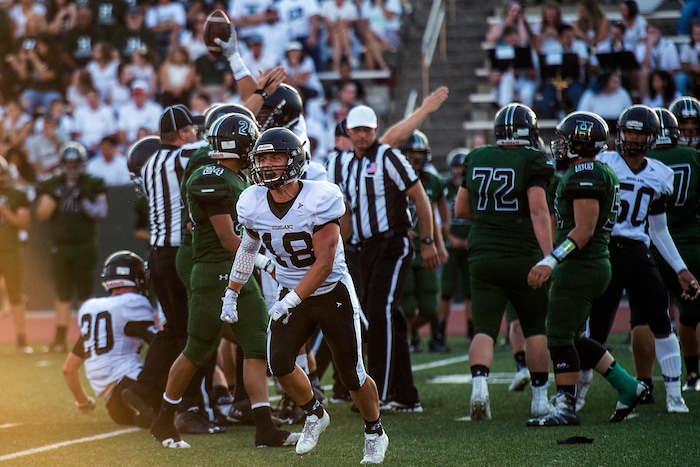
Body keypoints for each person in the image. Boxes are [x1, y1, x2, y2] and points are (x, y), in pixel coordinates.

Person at [221, 127, 388, 463]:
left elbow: (325, 264)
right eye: (262, 158)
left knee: (351, 373)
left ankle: (375, 432)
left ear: (294, 160)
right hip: (291, 290)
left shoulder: (320, 197)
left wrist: (291, 299)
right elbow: (248, 248)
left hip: (330, 291)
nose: (267, 165)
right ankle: (315, 413)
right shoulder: (252, 201)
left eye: (275, 157)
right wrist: (231, 292)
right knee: (279, 362)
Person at [150, 113, 299, 449]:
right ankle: (162, 421)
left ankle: (264, 427)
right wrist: (269, 263)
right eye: (253, 147)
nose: (257, 156)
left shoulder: (234, 175)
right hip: (213, 270)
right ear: (240, 145)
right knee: (198, 348)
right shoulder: (213, 176)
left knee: (257, 341)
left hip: (238, 271)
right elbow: (227, 238)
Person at [526, 110, 650, 426]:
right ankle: (627, 386)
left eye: (566, 140)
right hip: (592, 263)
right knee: (574, 336)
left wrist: (550, 260)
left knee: (558, 336)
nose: (560, 145)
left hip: (582, 264)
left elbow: (584, 230)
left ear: (580, 143)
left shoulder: (586, 174)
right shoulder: (595, 171)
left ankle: (566, 407)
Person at [587, 105, 699, 414]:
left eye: (641, 133)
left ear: (652, 138)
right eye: (630, 131)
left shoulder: (659, 173)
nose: (634, 138)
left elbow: (659, 230)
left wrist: (681, 269)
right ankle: (578, 395)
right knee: (595, 330)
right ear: (620, 133)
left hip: (638, 251)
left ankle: (675, 396)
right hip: (606, 250)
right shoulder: (605, 162)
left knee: (662, 323)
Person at [453, 103, 553, 420]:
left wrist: (489, 218)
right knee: (535, 327)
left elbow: (461, 210)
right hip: (522, 253)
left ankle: (479, 390)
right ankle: (539, 400)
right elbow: (538, 210)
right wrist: (550, 256)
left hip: (483, 252)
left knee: (484, 328)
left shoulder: (477, 156)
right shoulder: (533, 159)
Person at [337, 104, 437, 413]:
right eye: (358, 129)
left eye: (368, 129)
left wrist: (428, 240)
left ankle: (377, 390)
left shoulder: (389, 157)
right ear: (348, 132)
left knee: (379, 313)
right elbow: (342, 211)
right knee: (383, 316)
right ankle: (405, 394)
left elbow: (419, 197)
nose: (363, 134)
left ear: (376, 131)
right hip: (362, 248)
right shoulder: (340, 164)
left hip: (393, 243)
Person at [63, 251, 158, 426]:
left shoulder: (93, 309)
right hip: (135, 387)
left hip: (114, 407)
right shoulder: (131, 304)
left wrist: (83, 402)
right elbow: (160, 345)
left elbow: (69, 369)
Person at [646, 108, 700, 392]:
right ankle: (693, 376)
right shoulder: (693, 158)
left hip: (648, 246)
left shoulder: (640, 161)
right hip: (690, 242)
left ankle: (644, 383)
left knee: (643, 318)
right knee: (695, 313)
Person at [36, 142, 108, 352]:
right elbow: (41, 214)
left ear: (82, 164)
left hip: (84, 245)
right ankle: (59, 338)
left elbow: (101, 213)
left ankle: (91, 337)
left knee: (86, 293)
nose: (71, 168)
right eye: (67, 164)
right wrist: (56, 196)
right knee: (63, 293)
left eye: (74, 164)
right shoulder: (52, 184)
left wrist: (82, 199)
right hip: (60, 245)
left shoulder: (92, 183)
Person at [400, 130, 450, 353]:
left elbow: (438, 210)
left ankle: (405, 335)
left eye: (419, 153)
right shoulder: (394, 178)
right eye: (411, 153)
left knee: (430, 308)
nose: (416, 158)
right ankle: (405, 340)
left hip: (426, 248)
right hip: (402, 250)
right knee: (407, 306)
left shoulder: (433, 181)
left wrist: (441, 242)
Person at [0, 156, 31, 354]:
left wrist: (3, 210)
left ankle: (21, 339)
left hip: (11, 248)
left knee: (16, 295)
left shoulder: (17, 194)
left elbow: (23, 223)